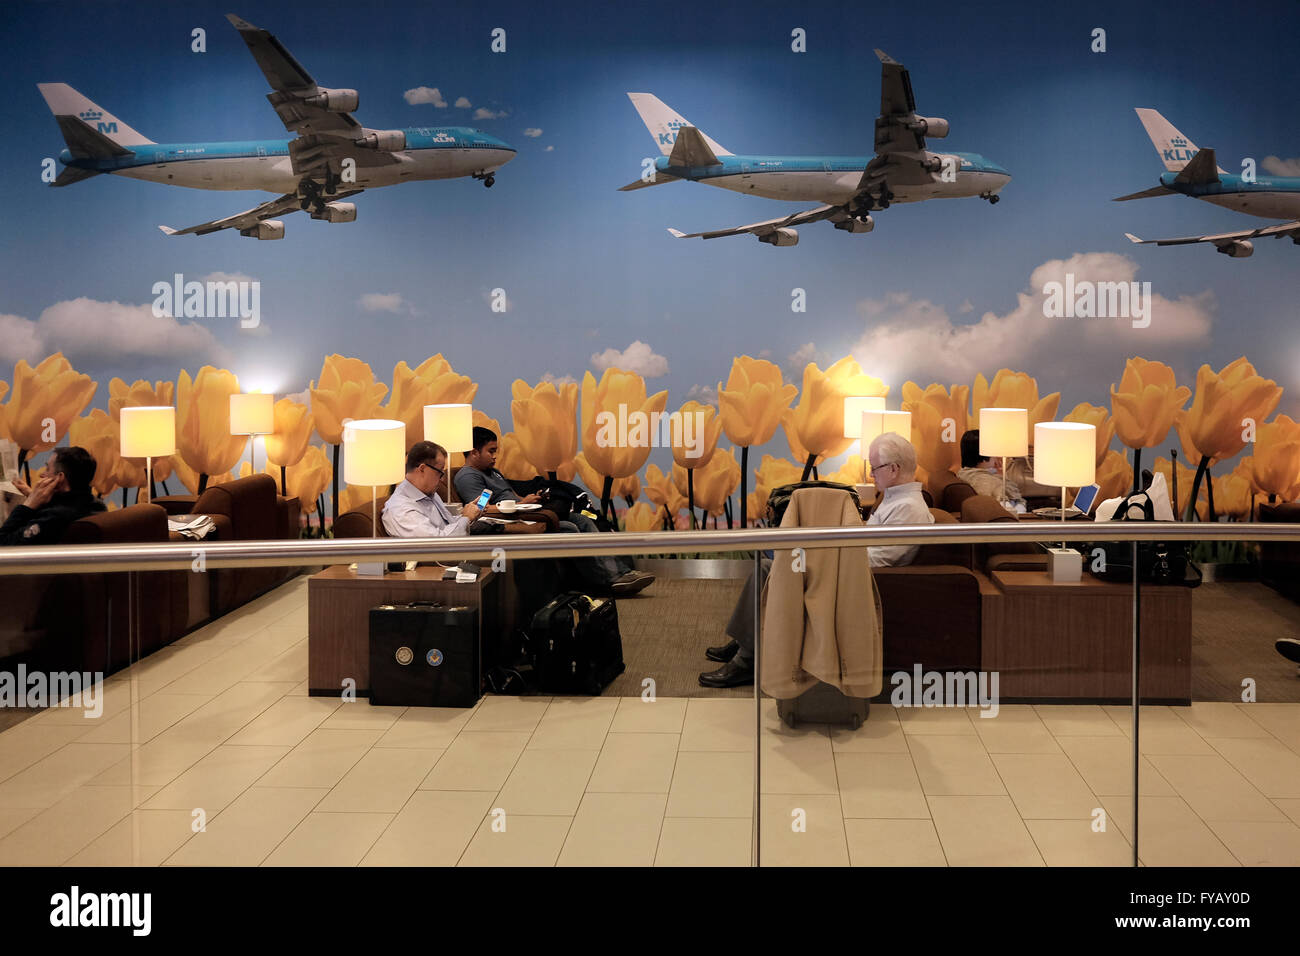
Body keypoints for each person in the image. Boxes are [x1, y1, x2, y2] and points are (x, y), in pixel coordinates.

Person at [699, 432, 934, 688]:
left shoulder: (908, 507)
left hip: (852, 581)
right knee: (769, 563)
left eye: (874, 467)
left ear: (893, 469)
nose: (871, 475)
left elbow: (881, 557)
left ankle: (746, 658)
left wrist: (825, 556)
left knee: (770, 566)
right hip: (846, 569)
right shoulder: (895, 500)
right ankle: (745, 643)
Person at [454, 426, 654, 596]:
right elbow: (480, 509)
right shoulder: (468, 476)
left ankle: (619, 573)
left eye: (496, 451)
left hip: (525, 512)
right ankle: (607, 581)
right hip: (512, 522)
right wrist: (517, 507)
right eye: (491, 451)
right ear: (474, 452)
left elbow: (512, 496)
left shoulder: (493, 472)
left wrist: (527, 500)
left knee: (582, 520)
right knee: (569, 528)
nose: (495, 456)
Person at [0, 446, 105, 546]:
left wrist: (28, 506)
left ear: (59, 478)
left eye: (47, 469)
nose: (41, 475)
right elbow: (68, 506)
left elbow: (4, 543)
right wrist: (33, 495)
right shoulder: (98, 505)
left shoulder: (53, 519)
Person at [382, 441, 482, 538]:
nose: (442, 479)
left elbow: (447, 524)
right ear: (422, 469)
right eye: (440, 472)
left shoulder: (427, 493)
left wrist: (470, 514)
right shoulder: (401, 510)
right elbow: (438, 543)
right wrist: (466, 518)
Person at [956, 429, 1026, 512]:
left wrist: (1001, 474)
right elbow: (1007, 509)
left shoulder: (970, 473)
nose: (996, 457)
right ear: (984, 455)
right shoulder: (984, 481)